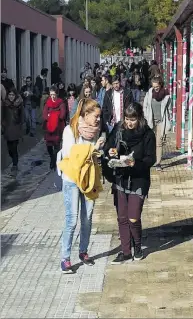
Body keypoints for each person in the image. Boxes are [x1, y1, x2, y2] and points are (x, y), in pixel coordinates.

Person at [103, 103, 156, 264]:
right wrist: (110, 151)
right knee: (122, 217)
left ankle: (138, 246)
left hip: (139, 179)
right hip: (120, 177)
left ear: (139, 118)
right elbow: (109, 146)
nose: (129, 123)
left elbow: (150, 159)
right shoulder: (119, 130)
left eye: (132, 119)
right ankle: (125, 251)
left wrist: (135, 163)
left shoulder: (147, 134)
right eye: (127, 119)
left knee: (133, 217)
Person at [59, 98, 105, 273]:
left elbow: (94, 157)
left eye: (99, 117)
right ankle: (65, 258)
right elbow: (71, 154)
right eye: (96, 116)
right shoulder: (70, 130)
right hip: (71, 180)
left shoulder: (95, 131)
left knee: (87, 218)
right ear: (85, 115)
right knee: (72, 220)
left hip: (89, 179)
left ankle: (83, 251)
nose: (98, 120)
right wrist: (93, 150)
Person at [143, 77, 171, 171]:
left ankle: (158, 163)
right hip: (151, 121)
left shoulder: (166, 94)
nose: (155, 88)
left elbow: (169, 108)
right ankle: (150, 159)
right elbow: (145, 105)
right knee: (150, 141)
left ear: (160, 85)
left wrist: (169, 118)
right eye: (154, 86)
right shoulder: (149, 93)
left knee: (159, 142)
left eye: (157, 87)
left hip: (161, 121)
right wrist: (146, 116)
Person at [43, 86, 66, 170]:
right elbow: (45, 115)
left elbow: (62, 115)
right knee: (48, 146)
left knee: (56, 145)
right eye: (51, 94)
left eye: (54, 94)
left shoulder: (61, 103)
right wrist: (52, 115)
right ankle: (52, 158)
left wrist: (52, 115)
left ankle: (55, 161)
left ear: (57, 94)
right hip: (49, 127)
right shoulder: (47, 103)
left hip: (58, 127)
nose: (52, 96)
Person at [2, 88, 23, 174]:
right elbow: (2, 115)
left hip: (16, 128)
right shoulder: (5, 104)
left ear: (15, 96)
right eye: (10, 95)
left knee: (14, 148)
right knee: (9, 149)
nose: (11, 96)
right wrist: (3, 125)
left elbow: (22, 116)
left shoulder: (19, 105)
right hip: (7, 128)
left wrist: (20, 126)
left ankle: (15, 165)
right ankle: (14, 160)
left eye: (13, 95)